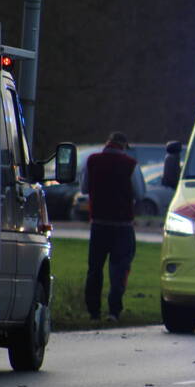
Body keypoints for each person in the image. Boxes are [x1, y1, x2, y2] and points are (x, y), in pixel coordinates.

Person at [80, 132, 146, 322]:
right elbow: (140, 194)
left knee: (94, 269)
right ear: (124, 145)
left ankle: (93, 312)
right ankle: (113, 311)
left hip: (98, 224)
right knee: (119, 269)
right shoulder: (130, 165)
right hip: (122, 226)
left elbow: (84, 189)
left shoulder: (92, 161)